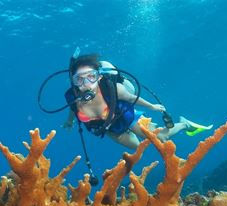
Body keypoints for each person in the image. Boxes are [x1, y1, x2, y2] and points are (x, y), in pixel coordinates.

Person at [63, 54, 212, 149]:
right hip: (106, 128)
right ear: (73, 81)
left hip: (124, 116)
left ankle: (185, 124)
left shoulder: (112, 89)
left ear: (99, 77)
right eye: (79, 79)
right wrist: (70, 122)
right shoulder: (73, 97)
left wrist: (152, 106)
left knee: (160, 138)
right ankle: (129, 131)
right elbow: (73, 110)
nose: (86, 83)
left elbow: (130, 97)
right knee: (136, 146)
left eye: (91, 76)